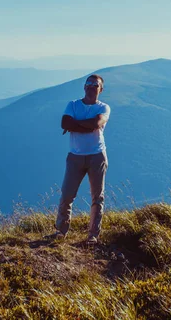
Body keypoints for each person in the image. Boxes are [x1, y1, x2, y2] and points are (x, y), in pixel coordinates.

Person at [47, 74, 110, 243]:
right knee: (67, 195)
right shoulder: (73, 104)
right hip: (75, 156)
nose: (91, 87)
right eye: (88, 83)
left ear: (100, 89)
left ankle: (93, 236)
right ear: (84, 87)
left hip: (97, 156)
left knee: (98, 197)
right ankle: (61, 231)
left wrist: (76, 125)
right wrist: (86, 126)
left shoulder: (104, 108)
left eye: (95, 85)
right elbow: (65, 123)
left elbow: (96, 123)